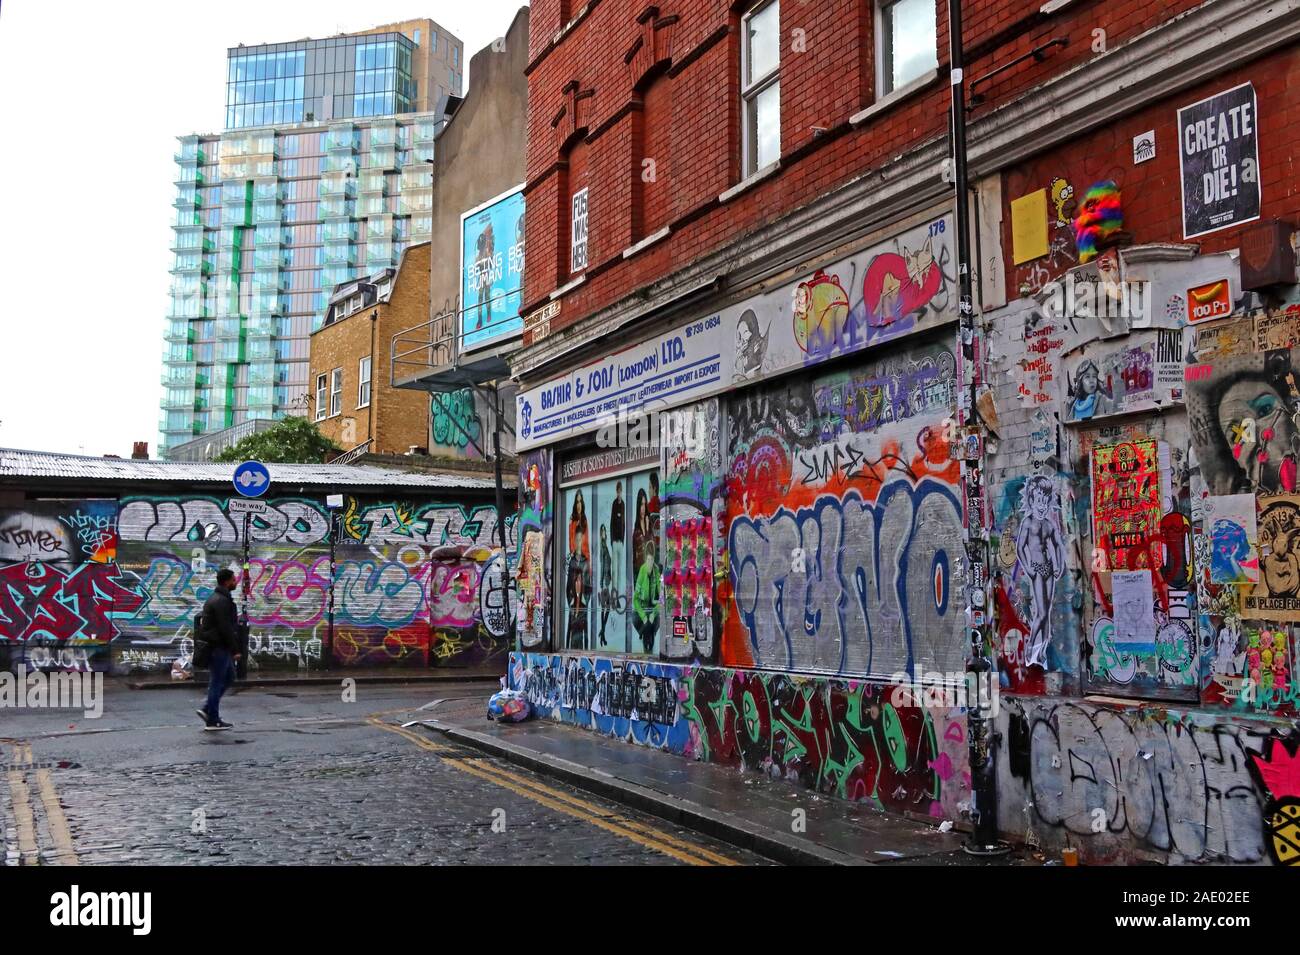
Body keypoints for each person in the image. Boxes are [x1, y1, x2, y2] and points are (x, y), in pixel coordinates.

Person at [196, 568, 241, 731]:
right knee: (217, 681)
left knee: (229, 677)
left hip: (220, 646)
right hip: (218, 647)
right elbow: (225, 627)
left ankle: (208, 709)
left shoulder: (219, 598)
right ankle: (212, 719)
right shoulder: (221, 601)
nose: (236, 582)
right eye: (234, 579)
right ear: (227, 581)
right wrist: (235, 649)